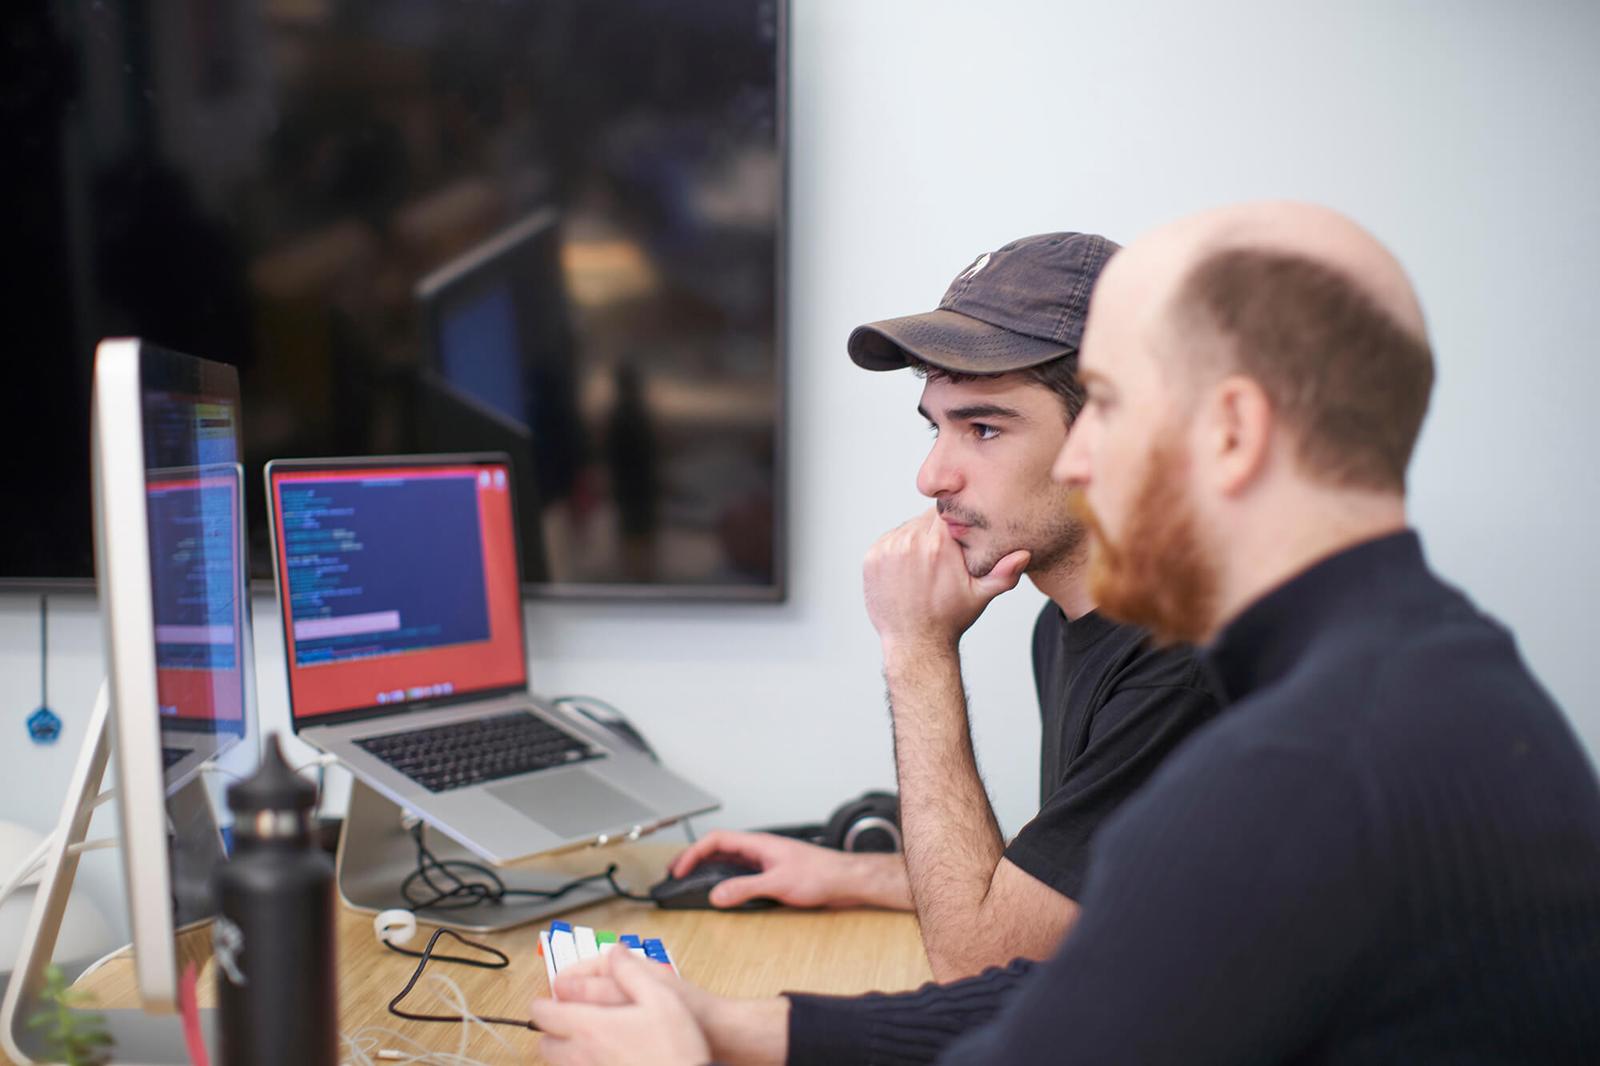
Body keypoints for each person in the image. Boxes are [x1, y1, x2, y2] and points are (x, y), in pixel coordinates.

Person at [528, 201, 1600, 1065]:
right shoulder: (1421, 674)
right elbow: (1091, 981)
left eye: (1113, 409)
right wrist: (751, 1029)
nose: (1083, 463)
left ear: (1229, 431)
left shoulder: (1299, 761)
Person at [667, 232, 1221, 980]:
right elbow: (1058, 895)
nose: (931, 476)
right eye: (938, 426)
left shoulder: (1186, 665)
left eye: (984, 428)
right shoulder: (1069, 627)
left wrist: (918, 648)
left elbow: (984, 967)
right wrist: (849, 875)